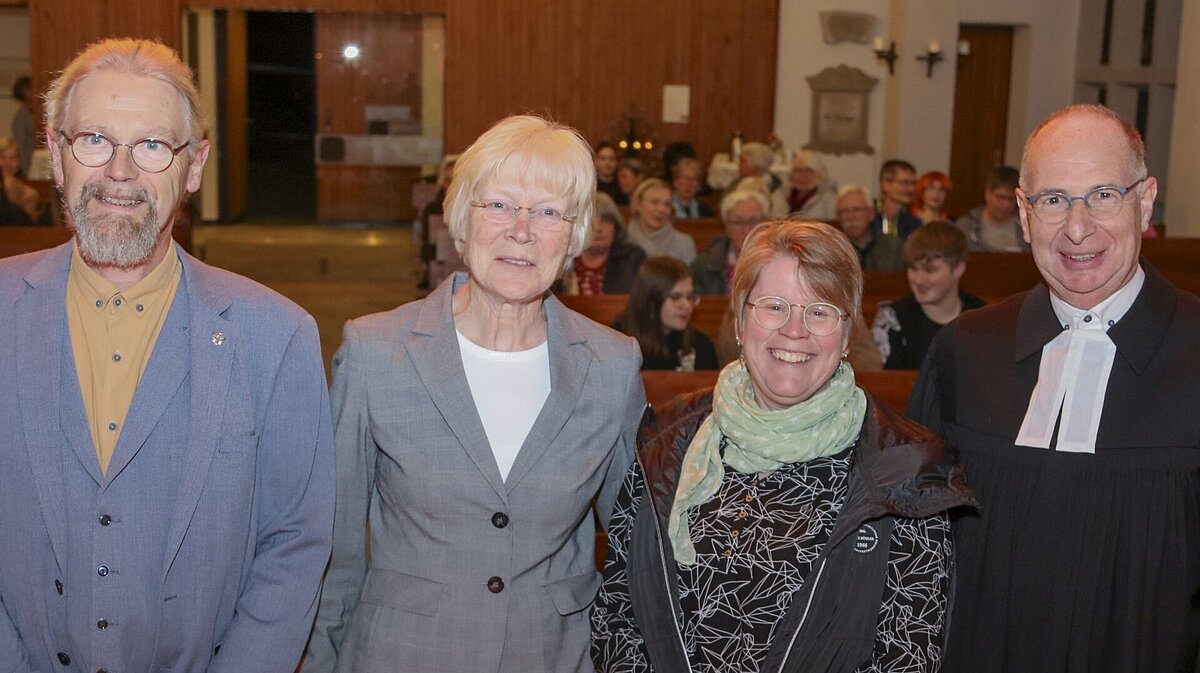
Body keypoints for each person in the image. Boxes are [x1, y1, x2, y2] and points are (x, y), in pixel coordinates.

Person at [0, 38, 334, 672]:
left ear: (194, 165)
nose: (119, 172)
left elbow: (294, 544)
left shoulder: (277, 336)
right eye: (94, 140)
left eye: (152, 146)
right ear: (57, 154)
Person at [307, 114, 646, 673]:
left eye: (548, 212)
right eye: (499, 205)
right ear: (462, 220)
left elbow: (635, 544)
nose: (521, 230)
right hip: (402, 655)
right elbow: (335, 548)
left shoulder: (611, 365)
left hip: (552, 656)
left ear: (574, 235)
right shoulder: (375, 352)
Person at [592, 219, 975, 672]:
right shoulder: (665, 438)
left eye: (820, 311)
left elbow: (907, 653)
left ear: (847, 333)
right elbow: (619, 615)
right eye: (774, 307)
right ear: (739, 322)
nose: (795, 330)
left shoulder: (909, 466)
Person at [909, 104, 1200, 673]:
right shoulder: (964, 352)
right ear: (1023, 212)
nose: (1076, 227)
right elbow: (918, 556)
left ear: (1145, 201)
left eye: (1102, 195)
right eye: (1054, 200)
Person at [872, 221, 984, 369]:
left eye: (930, 270)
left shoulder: (983, 318)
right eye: (913, 268)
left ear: (958, 269)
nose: (918, 280)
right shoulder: (892, 320)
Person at [613, 256, 718, 371]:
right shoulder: (617, 343)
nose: (687, 306)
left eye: (690, 297)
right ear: (651, 301)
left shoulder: (701, 345)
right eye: (676, 297)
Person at [564, 192, 646, 295]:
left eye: (606, 220)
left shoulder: (633, 258)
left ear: (616, 226)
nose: (598, 228)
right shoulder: (563, 258)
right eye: (591, 221)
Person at [692, 188, 767, 295]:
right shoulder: (704, 266)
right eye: (738, 222)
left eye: (753, 221)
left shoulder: (777, 263)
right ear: (727, 226)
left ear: (764, 225)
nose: (746, 230)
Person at [954, 165, 1028, 252]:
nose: (1006, 204)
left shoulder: (1025, 226)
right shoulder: (965, 227)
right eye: (1000, 197)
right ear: (987, 194)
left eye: (1011, 199)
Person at [626, 177, 696, 264]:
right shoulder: (622, 241)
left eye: (667, 204)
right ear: (638, 204)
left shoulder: (684, 244)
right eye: (654, 202)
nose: (661, 209)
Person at [837, 183, 904, 272]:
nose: (850, 217)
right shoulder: (835, 251)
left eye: (857, 210)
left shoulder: (894, 247)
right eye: (844, 211)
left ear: (871, 213)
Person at [781, 149, 837, 221]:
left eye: (809, 170)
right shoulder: (780, 196)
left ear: (819, 174)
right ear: (792, 175)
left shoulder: (829, 199)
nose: (803, 175)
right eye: (799, 170)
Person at [874, 159, 922, 238]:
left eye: (913, 183)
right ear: (886, 185)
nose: (911, 189)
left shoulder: (914, 223)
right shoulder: (869, 217)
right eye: (905, 183)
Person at [10, 75, 34, 176]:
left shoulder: (33, 113)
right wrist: (26, 171)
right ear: (25, 92)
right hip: (29, 168)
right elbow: (20, 147)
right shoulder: (21, 118)